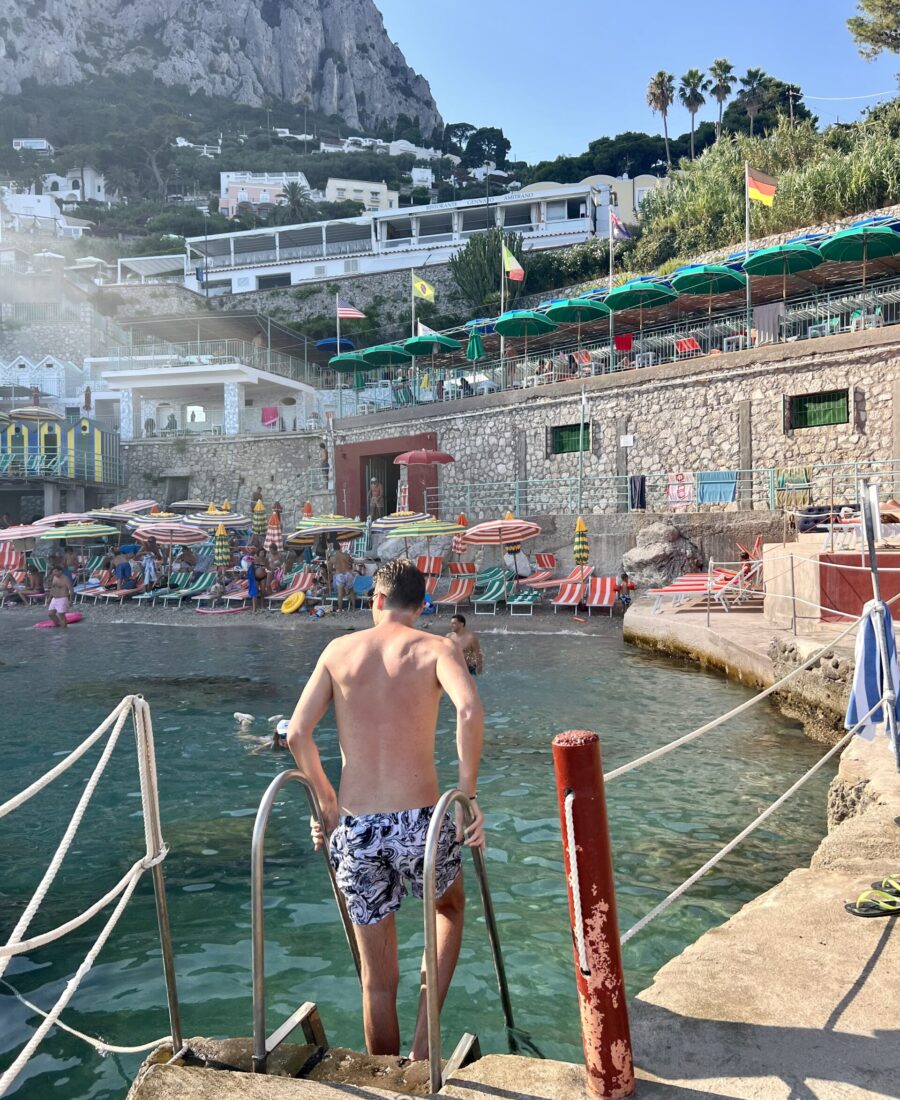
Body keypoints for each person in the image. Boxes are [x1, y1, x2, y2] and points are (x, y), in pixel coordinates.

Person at [285, 559, 484, 1060]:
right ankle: (422, 1048)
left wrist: (326, 801)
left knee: (376, 980)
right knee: (449, 910)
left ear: (375, 598)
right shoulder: (436, 648)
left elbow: (295, 733)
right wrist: (466, 796)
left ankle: (385, 1075)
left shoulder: (337, 652)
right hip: (422, 821)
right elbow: (467, 709)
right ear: (421, 607)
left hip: (355, 827)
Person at [328, 542, 355, 612]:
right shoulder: (346, 555)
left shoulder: (332, 558)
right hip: (348, 573)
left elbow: (329, 569)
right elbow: (352, 562)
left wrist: (334, 570)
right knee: (351, 591)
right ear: (340, 547)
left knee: (340, 594)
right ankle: (354, 608)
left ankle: (340, 609)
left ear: (333, 549)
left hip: (339, 574)